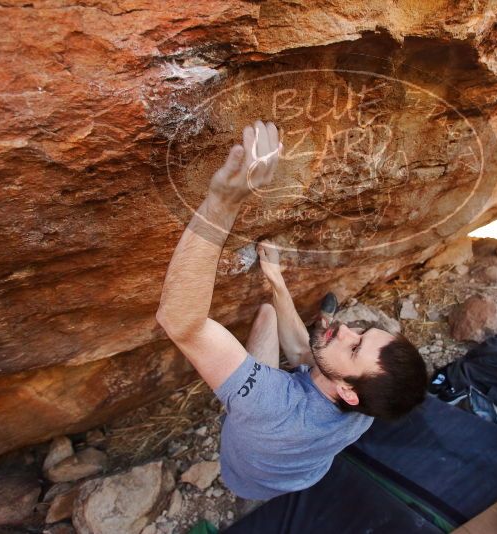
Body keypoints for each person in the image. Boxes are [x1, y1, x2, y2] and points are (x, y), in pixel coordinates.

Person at [156, 120, 428, 500]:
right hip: (303, 476)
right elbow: (306, 355)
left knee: (267, 354)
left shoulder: (270, 405)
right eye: (361, 332)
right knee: (268, 313)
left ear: (348, 392)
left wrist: (223, 202)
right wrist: (276, 279)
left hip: (246, 479)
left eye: (353, 347)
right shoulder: (368, 405)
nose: (345, 329)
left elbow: (181, 324)